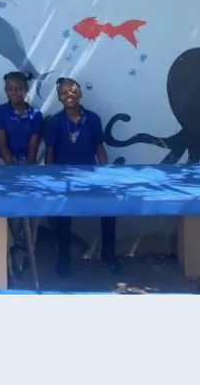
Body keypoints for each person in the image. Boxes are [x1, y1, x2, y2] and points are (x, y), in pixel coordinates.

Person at [45, 76, 118, 278]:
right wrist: (52, 179)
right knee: (62, 213)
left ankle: (109, 254)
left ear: (80, 93)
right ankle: (64, 257)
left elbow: (99, 148)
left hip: (90, 176)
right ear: (59, 97)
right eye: (64, 92)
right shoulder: (56, 122)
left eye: (73, 90)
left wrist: (105, 174)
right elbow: (49, 152)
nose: (69, 95)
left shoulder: (93, 119)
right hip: (63, 177)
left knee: (109, 207)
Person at [0, 71, 44, 272]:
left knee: (34, 204)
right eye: (10, 88)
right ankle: (12, 245)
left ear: (25, 89)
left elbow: (33, 145)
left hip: (27, 163)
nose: (14, 92)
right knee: (8, 204)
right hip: (5, 162)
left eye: (18, 88)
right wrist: (13, 170)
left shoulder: (35, 115)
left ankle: (26, 247)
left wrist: (27, 172)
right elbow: (2, 143)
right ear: (5, 90)